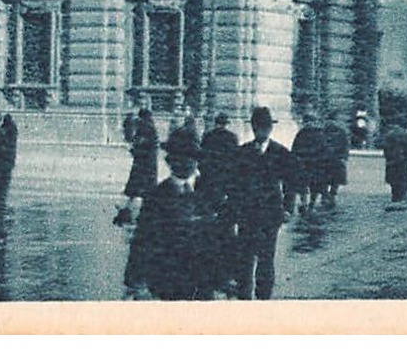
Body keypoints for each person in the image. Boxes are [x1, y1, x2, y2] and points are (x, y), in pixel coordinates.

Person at [124, 125, 216, 300]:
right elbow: (142, 239)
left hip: (201, 283)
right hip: (166, 282)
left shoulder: (206, 195)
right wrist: (135, 281)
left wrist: (225, 277)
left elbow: (216, 237)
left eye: (192, 157)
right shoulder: (156, 196)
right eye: (180, 157)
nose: (186, 163)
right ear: (170, 161)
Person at [230, 106, 293, 300]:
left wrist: (288, 208)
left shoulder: (280, 152)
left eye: (265, 127)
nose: (262, 131)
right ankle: (244, 296)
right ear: (253, 127)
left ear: (270, 129)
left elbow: (291, 181)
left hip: (270, 214)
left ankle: (264, 296)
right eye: (258, 127)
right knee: (245, 257)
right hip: (246, 214)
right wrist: (233, 209)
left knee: (266, 258)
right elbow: (233, 183)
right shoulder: (242, 152)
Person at [116, 108, 160, 226]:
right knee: (144, 186)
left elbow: (140, 144)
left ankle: (128, 208)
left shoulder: (145, 127)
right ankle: (132, 208)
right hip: (148, 162)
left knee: (138, 185)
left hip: (142, 162)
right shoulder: (151, 127)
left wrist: (133, 149)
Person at [289, 113, 331, 213]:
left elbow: (295, 149)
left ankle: (307, 204)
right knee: (312, 186)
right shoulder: (318, 134)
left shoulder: (303, 134)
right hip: (313, 164)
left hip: (307, 164)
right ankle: (309, 204)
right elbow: (325, 150)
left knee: (306, 185)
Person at [382, 120, 407, 206]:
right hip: (403, 161)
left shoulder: (389, 135)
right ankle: (402, 198)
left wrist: (388, 158)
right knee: (403, 179)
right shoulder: (406, 134)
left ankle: (395, 197)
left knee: (393, 180)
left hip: (392, 161)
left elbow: (385, 149)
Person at [321, 112, 350, 209]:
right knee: (335, 179)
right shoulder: (341, 131)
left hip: (326, 158)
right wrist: (344, 157)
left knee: (326, 178)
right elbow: (345, 145)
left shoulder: (323, 130)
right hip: (335, 158)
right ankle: (330, 195)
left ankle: (327, 195)